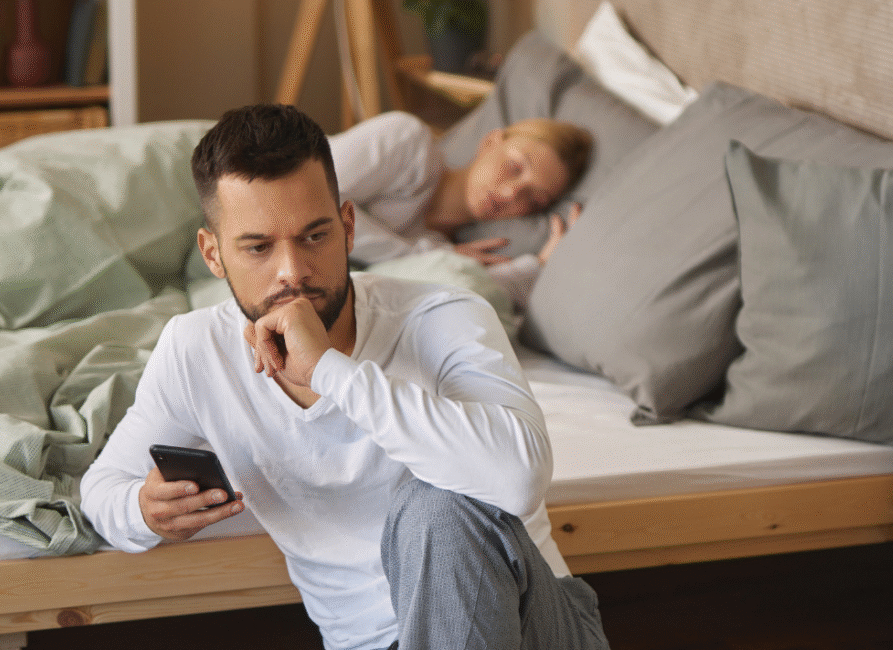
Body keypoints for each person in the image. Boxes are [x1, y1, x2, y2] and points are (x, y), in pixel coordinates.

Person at [79, 104, 609, 650]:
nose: (292, 272)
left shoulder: (446, 317)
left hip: (532, 631)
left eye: (314, 236)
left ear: (348, 226)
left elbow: (518, 479)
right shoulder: (195, 352)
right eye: (258, 247)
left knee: (438, 507)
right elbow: (101, 489)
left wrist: (332, 372)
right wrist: (144, 513)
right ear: (213, 255)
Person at [332, 110, 590, 308]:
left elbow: (470, 292)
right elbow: (318, 202)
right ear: (490, 142)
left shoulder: (440, 248)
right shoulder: (409, 143)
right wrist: (422, 255)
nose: (511, 193)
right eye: (515, 167)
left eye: (534, 200)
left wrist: (541, 263)